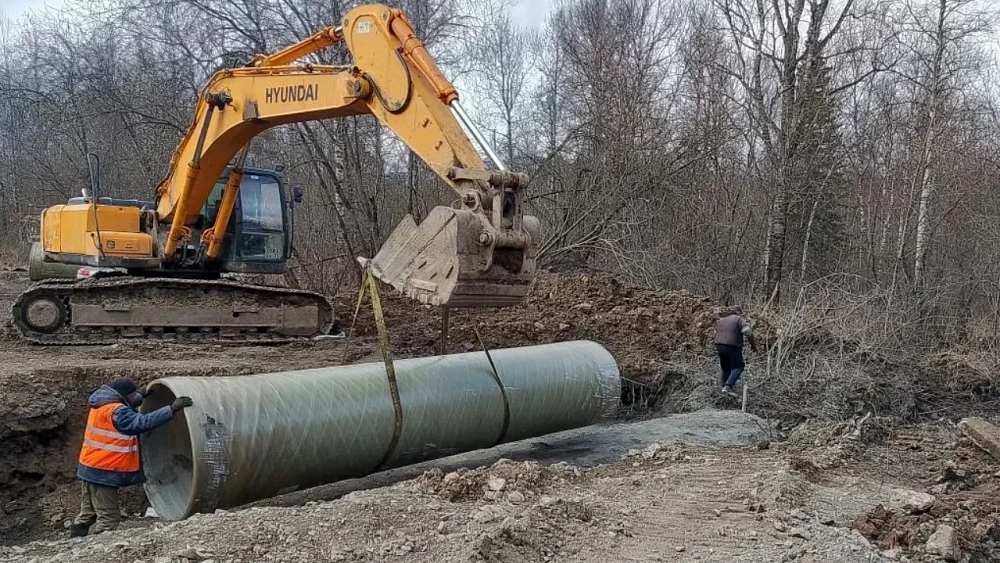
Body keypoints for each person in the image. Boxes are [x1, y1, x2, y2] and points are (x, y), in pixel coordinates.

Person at [69, 377, 193, 538]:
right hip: (103, 472)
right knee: (109, 519)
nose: (135, 397)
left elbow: (124, 406)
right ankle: (94, 550)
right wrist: (171, 409)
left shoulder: (102, 402)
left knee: (88, 513)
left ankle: (74, 542)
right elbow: (139, 423)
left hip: (89, 468)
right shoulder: (117, 411)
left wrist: (141, 395)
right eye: (133, 395)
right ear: (124, 395)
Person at [714, 306, 757, 397]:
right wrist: (753, 344)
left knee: (726, 368)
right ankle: (727, 387)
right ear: (738, 312)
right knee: (738, 366)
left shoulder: (720, 321)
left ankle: (723, 389)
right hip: (732, 345)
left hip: (719, 345)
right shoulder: (738, 319)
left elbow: (716, 333)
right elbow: (748, 332)